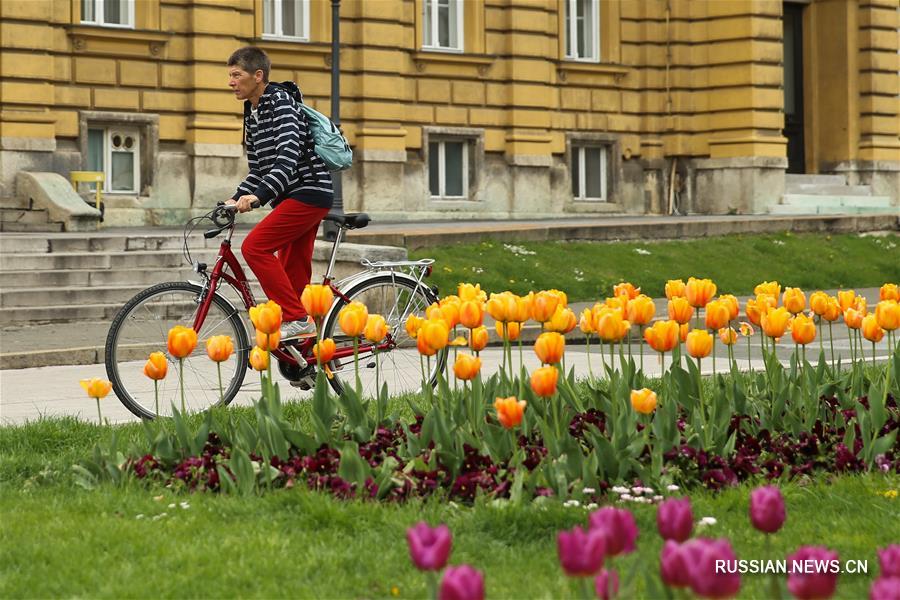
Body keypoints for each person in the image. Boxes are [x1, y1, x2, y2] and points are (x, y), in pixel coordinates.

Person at [225, 46, 333, 340]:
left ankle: (298, 319)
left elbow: (288, 155)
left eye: (237, 75)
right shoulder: (253, 111)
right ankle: (307, 359)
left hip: (309, 192)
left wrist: (259, 197)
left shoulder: (281, 102)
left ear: (258, 76)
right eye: (230, 76)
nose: (231, 82)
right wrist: (236, 198)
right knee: (291, 276)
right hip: (291, 197)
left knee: (254, 247)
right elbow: (258, 167)